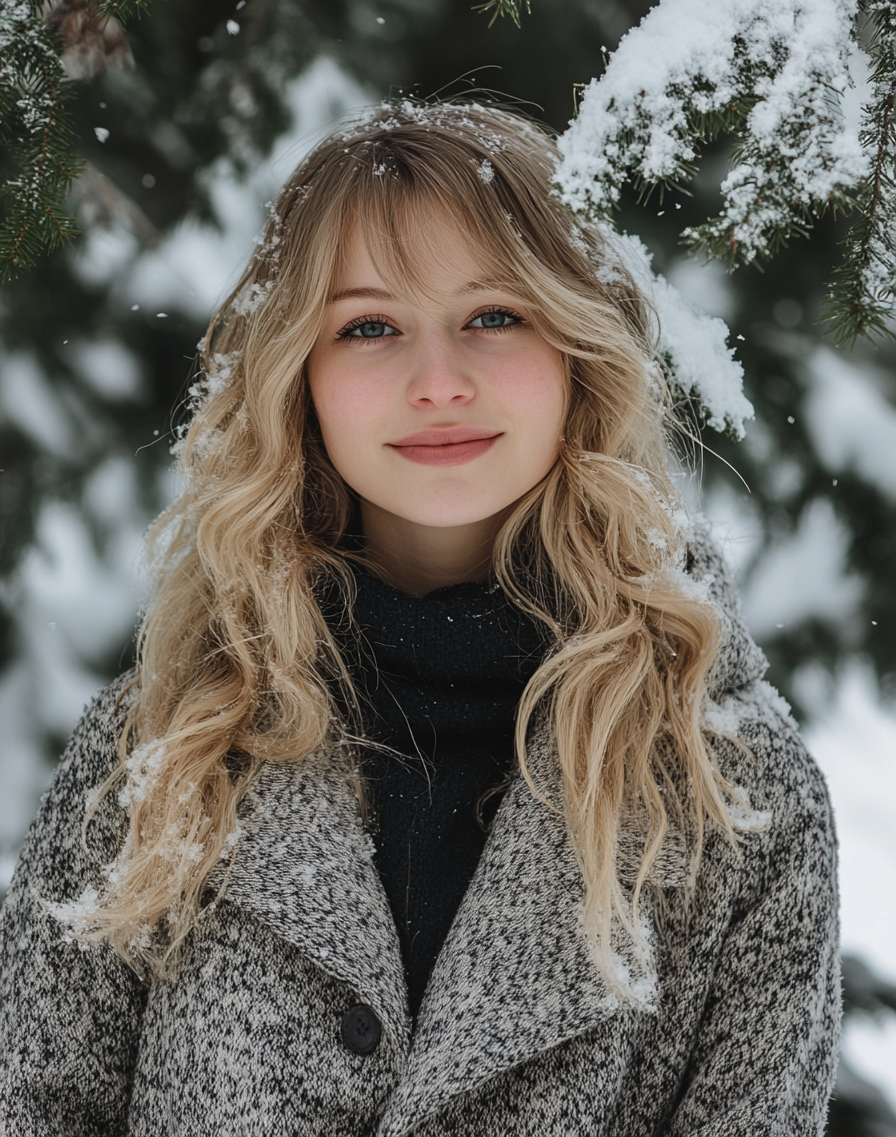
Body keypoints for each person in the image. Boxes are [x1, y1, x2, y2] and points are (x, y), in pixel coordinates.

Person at [0, 102, 839, 1136]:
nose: (437, 383)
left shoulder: (733, 789)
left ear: (577, 346)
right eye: (367, 327)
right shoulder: (164, 743)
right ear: (295, 377)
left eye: (492, 315)